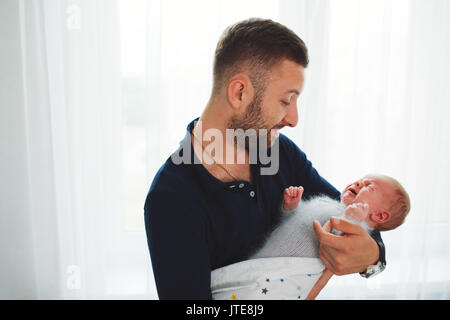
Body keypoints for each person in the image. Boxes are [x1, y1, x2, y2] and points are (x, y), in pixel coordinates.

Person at [144, 18, 386, 300]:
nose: (294, 119)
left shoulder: (281, 153)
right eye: (286, 101)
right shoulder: (171, 198)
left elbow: (352, 209)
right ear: (240, 92)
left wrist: (372, 254)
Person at [209, 174, 410, 300]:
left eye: (369, 186)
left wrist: (354, 220)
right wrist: (291, 208)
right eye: (361, 178)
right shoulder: (327, 202)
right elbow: (294, 222)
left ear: (379, 215)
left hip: (281, 277)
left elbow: (338, 243)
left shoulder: (356, 227)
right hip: (264, 260)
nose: (359, 182)